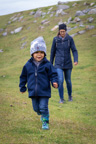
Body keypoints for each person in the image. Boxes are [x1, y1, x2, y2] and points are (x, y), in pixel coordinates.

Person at [19, 36, 58, 130]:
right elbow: (23, 76)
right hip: (33, 91)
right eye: (36, 52)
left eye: (41, 52)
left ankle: (45, 121)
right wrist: (22, 87)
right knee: (36, 108)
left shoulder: (47, 64)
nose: (39, 54)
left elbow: (53, 74)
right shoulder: (28, 65)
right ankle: (42, 114)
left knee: (43, 107)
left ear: (44, 53)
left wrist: (54, 81)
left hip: (44, 91)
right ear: (32, 53)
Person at [50, 23, 78, 103]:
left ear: (66, 31)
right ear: (59, 31)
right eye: (61, 31)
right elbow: (52, 52)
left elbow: (74, 50)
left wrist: (75, 60)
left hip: (68, 63)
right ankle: (61, 98)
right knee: (60, 80)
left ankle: (70, 96)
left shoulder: (69, 39)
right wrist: (50, 64)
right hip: (58, 64)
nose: (62, 33)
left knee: (68, 80)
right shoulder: (55, 40)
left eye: (63, 31)